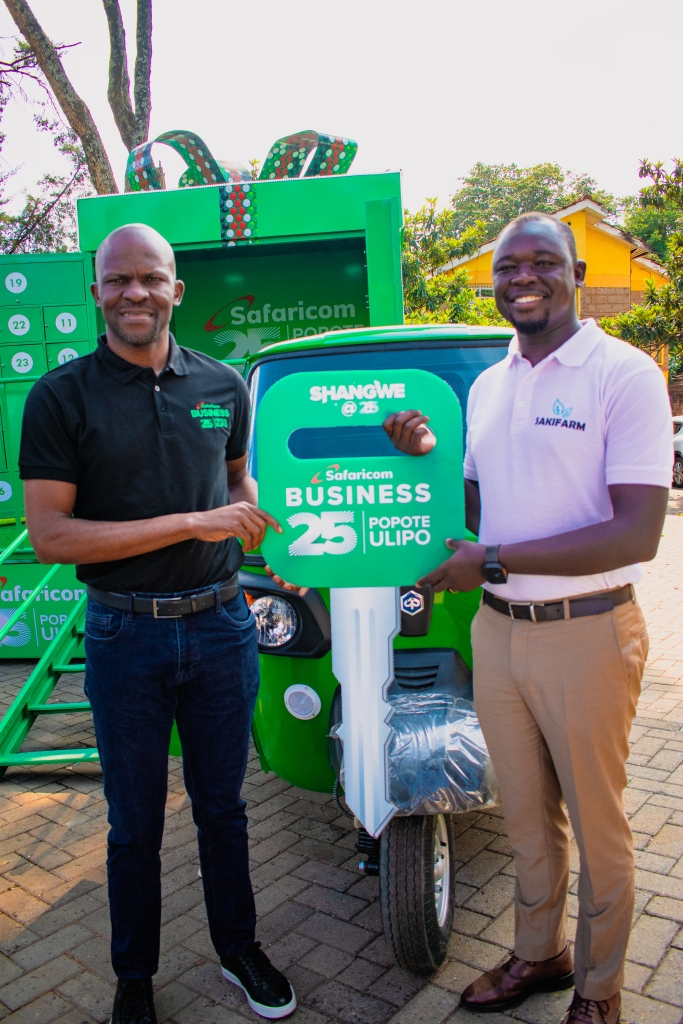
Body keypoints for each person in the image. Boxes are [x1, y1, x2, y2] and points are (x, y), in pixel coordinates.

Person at [383, 212, 672, 1024]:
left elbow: (636, 531)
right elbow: (474, 502)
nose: (522, 277)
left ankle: (600, 991)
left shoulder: (623, 374)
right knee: (523, 815)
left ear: (576, 271)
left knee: (598, 824)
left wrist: (495, 561)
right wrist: (423, 455)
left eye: (542, 262)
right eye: (508, 265)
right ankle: (538, 954)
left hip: (586, 630)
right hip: (498, 631)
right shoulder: (488, 383)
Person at [18, 224, 297, 1024]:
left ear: (177, 289)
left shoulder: (221, 386)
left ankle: (237, 949)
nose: (134, 293)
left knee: (224, 808)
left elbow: (240, 482)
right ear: (97, 292)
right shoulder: (61, 397)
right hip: (123, 635)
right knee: (133, 822)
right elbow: (52, 537)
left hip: (220, 629)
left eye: (150, 278)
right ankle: (133, 977)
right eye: (117, 281)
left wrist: (260, 518)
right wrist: (190, 522)